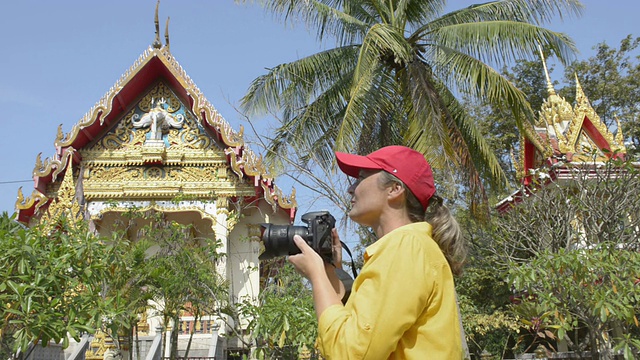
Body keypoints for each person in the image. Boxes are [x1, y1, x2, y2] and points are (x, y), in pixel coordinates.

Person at [288, 145, 467, 359]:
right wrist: (331, 271)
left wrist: (316, 275)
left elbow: (350, 352)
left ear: (394, 189)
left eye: (361, 177)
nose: (351, 189)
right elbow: (365, 326)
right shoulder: (410, 246)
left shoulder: (406, 246)